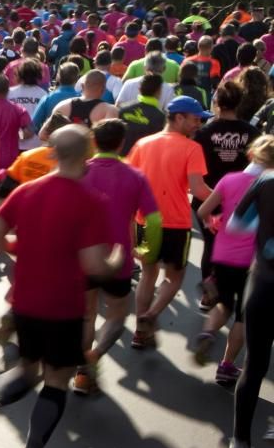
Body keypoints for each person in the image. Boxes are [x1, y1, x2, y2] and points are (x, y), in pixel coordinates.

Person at [0, 125, 122, 448]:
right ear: (87, 156)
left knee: (26, 370)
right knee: (57, 380)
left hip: (25, 301)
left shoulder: (27, 191)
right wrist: (115, 259)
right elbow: (94, 265)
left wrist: (23, 246)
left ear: (51, 153)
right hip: (63, 306)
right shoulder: (92, 201)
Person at [73, 120, 160, 395]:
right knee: (117, 315)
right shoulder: (135, 176)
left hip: (83, 256)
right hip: (118, 258)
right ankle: (94, 357)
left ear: (94, 142)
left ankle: (82, 373)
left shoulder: (79, 171)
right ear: (121, 143)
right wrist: (148, 251)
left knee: (87, 315)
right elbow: (154, 220)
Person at [128, 96, 213, 348]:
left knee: (147, 275)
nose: (199, 124)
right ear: (179, 118)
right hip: (176, 223)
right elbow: (198, 189)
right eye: (196, 119)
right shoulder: (191, 148)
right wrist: (228, 198)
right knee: (175, 278)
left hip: (145, 221)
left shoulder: (142, 144)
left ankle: (139, 333)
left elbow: (132, 184)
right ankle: (152, 315)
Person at [193, 138, 272, 385]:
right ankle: (227, 365)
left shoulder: (230, 179)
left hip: (223, 253)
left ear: (251, 155)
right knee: (241, 315)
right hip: (252, 261)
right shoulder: (268, 187)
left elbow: (203, 210)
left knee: (224, 303)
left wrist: (212, 225)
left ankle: (208, 331)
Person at [227, 135, 274, 448]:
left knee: (254, 364)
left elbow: (236, 225)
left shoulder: (264, 182)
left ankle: (239, 445)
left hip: (264, 284)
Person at [193, 81, 259, 289]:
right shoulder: (252, 133)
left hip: (207, 199)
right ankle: (230, 290)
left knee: (211, 245)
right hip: (242, 199)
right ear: (239, 103)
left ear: (217, 103)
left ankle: (208, 291)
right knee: (236, 247)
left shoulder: (203, 133)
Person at [0, 74, 34, 169]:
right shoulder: (18, 109)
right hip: (10, 159)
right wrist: (17, 135)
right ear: (8, 90)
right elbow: (29, 133)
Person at [117, 72, 167, 155]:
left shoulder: (123, 109)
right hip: (142, 162)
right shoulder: (160, 117)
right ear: (159, 91)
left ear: (139, 89)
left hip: (121, 161)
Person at [53, 70, 118, 127]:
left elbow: (45, 135)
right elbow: (111, 139)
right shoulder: (109, 110)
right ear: (103, 89)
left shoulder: (62, 106)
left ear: (82, 86)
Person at [8, 59, 48, 150]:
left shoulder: (9, 93)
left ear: (20, 73)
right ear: (38, 75)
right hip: (35, 145)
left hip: (13, 143)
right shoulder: (43, 94)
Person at [32, 63, 80, 131]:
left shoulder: (47, 98)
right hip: (77, 139)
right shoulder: (82, 97)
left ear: (58, 77)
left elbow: (33, 125)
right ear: (77, 78)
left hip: (51, 139)